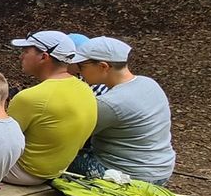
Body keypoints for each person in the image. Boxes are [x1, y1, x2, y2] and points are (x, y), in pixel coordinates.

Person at [67, 37, 176, 185]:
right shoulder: (148, 83)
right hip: (161, 169)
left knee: (55, 157)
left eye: (81, 66)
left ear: (103, 66)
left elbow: (71, 135)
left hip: (132, 176)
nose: (78, 71)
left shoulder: (110, 103)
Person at [4, 31, 97, 185]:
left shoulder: (31, 97)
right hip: (57, 169)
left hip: (23, 171)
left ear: (44, 57)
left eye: (26, 51)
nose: (21, 56)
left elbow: (2, 141)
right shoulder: (85, 89)